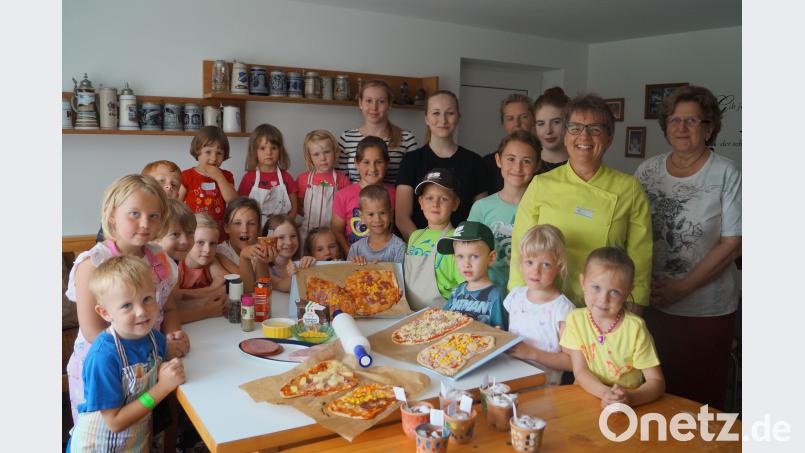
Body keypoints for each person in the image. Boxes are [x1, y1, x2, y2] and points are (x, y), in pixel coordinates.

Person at [635, 85, 742, 410]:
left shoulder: (726, 172)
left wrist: (681, 287)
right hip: (652, 305)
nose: (681, 128)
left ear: (709, 127)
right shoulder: (647, 171)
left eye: (692, 121)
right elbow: (633, 232)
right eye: (675, 120)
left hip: (704, 312)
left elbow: (734, 243)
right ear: (666, 125)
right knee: (653, 397)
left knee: (698, 403)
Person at [509, 94, 653, 311]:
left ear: (609, 138)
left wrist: (636, 305)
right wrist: (518, 298)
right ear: (565, 136)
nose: (584, 136)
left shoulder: (628, 188)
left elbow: (640, 257)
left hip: (603, 307)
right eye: (575, 128)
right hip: (546, 305)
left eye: (595, 129)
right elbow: (521, 247)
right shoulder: (541, 184)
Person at [66, 174, 189, 423]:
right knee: (105, 434)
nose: (145, 223)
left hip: (146, 364)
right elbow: (94, 332)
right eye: (134, 214)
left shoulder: (160, 260)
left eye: (153, 216)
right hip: (106, 371)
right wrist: (161, 348)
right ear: (111, 214)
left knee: (137, 430)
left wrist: (173, 334)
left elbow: (170, 307)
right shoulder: (93, 264)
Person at [68, 257, 185, 451]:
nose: (141, 312)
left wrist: (177, 344)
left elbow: (166, 356)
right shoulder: (103, 356)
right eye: (126, 305)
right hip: (99, 446)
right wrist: (162, 388)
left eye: (147, 299)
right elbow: (114, 422)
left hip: (134, 443)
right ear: (105, 313)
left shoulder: (154, 338)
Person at [560, 247, 665, 408]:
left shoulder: (635, 328)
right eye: (596, 287)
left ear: (628, 292)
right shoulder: (575, 320)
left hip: (629, 405)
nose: (603, 299)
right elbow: (580, 371)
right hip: (586, 398)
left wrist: (631, 398)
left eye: (614, 292)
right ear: (583, 282)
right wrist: (605, 393)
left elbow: (656, 382)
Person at [395, 90, 487, 240]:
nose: (443, 120)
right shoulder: (411, 160)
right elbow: (401, 217)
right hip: (420, 251)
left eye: (449, 113)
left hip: (462, 253)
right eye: (436, 113)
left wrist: (461, 249)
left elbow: (481, 216)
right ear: (426, 118)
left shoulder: (475, 162)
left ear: (458, 117)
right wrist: (424, 246)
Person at [469, 130, 541, 292]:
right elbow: (468, 253)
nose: (517, 167)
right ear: (498, 160)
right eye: (511, 159)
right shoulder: (482, 207)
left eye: (527, 161)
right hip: (487, 293)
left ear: (537, 165)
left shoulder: (542, 209)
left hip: (528, 295)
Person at [504, 224, 574, 386]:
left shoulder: (563, 309)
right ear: (521, 262)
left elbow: (571, 362)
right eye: (529, 262)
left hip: (543, 390)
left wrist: (531, 353)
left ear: (559, 267)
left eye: (546, 264)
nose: (536, 271)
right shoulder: (515, 296)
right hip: (509, 382)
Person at [336, 79, 418, 184]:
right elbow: (340, 181)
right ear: (360, 103)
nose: (374, 107)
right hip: (354, 199)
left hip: (393, 199)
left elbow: (412, 181)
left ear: (389, 104)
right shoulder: (346, 138)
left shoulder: (407, 138)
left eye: (381, 101)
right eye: (368, 101)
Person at [403, 169, 464, 310]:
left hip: (441, 317)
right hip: (409, 315)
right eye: (429, 198)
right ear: (421, 202)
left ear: (455, 204)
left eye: (443, 198)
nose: (435, 204)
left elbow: (465, 286)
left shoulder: (457, 239)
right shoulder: (415, 236)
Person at [332, 136, 396, 255]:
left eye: (379, 162)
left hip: (386, 258)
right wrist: (350, 254)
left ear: (387, 163)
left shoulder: (395, 194)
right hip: (354, 259)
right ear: (357, 163)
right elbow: (337, 231)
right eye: (366, 162)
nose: (372, 168)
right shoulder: (343, 195)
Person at [437, 221, 506, 329]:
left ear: (491, 258)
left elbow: (501, 335)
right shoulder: (457, 291)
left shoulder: (497, 295)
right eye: (460, 256)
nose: (466, 264)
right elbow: (443, 321)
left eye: (474, 256)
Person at [96, 160, 184, 243]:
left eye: (174, 185)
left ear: (177, 196)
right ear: (145, 184)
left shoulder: (178, 219)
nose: (169, 186)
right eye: (161, 181)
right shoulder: (118, 215)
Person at [179, 126, 237, 237]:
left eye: (219, 153)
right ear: (197, 151)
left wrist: (219, 178)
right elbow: (177, 204)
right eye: (208, 152)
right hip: (194, 232)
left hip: (219, 234)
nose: (214, 158)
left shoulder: (226, 176)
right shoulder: (186, 176)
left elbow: (233, 200)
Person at [237, 123, 298, 227]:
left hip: (281, 230)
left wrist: (285, 227)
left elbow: (294, 208)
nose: (269, 152)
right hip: (255, 230)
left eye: (273, 148)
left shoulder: (286, 177)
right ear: (254, 151)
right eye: (262, 148)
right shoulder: (248, 178)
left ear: (280, 151)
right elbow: (240, 208)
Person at [175, 213, 229, 323]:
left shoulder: (210, 261)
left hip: (209, 323)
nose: (207, 250)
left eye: (212, 243)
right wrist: (210, 295)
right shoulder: (177, 265)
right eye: (200, 242)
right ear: (188, 241)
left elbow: (223, 278)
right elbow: (175, 298)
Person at [296, 129, 350, 238]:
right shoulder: (303, 179)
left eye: (327, 152)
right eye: (316, 154)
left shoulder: (342, 180)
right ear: (309, 157)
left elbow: (346, 210)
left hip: (333, 235)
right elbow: (298, 205)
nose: (323, 158)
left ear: (334, 152)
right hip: (307, 233)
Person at [481, 93, 536, 194]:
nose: (517, 124)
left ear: (533, 119)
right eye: (510, 118)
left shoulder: (546, 162)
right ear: (503, 123)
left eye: (523, 117)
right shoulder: (487, 164)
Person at [348, 185, 406, 265]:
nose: (377, 219)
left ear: (391, 213)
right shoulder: (356, 248)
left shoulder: (399, 247)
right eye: (371, 214)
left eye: (382, 213)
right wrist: (354, 264)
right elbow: (348, 274)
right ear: (361, 216)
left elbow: (400, 276)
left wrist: (382, 269)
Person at [533, 87, 571, 173]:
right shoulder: (526, 167)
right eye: (541, 124)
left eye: (556, 122)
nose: (548, 131)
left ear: (569, 123)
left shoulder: (581, 167)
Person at [155, 199, 197, 263]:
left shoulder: (172, 262)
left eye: (190, 233)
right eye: (175, 234)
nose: (185, 241)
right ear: (155, 237)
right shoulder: (149, 268)